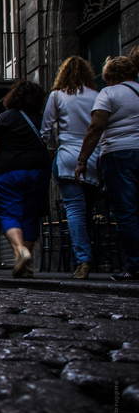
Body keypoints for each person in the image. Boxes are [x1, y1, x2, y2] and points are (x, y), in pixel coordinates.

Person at [76, 53, 139, 281]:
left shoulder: (109, 93)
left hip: (118, 155)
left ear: (110, 76)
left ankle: (135, 266)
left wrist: (82, 161)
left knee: (126, 212)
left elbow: (95, 128)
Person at [0, 81, 50, 279]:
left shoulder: (3, 119)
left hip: (9, 171)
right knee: (30, 215)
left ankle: (21, 251)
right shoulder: (41, 118)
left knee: (9, 213)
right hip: (39, 170)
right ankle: (25, 267)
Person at [41, 57, 100, 279]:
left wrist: (48, 152)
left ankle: (83, 260)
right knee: (87, 211)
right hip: (93, 158)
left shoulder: (57, 96)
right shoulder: (97, 96)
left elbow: (45, 130)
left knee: (74, 210)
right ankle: (79, 260)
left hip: (67, 158)